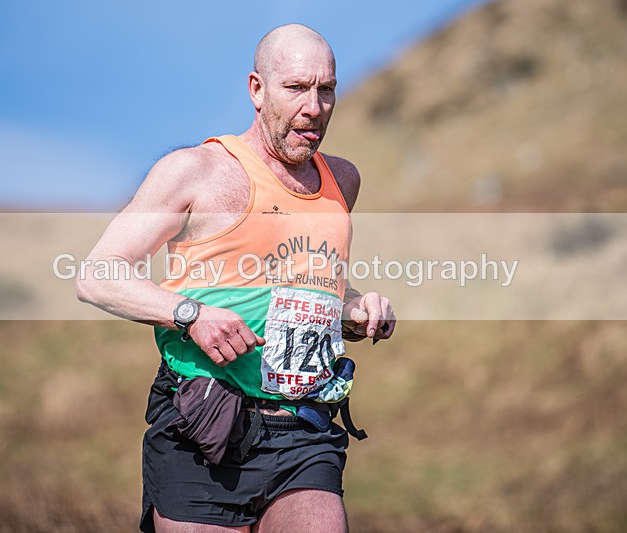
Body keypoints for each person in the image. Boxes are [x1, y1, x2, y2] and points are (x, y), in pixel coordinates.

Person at [77, 23, 396, 533]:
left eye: (326, 89)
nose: (313, 106)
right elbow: (97, 274)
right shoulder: (196, 171)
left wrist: (355, 309)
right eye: (295, 88)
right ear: (257, 89)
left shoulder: (343, 181)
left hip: (303, 427)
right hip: (206, 419)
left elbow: (313, 281)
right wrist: (191, 314)